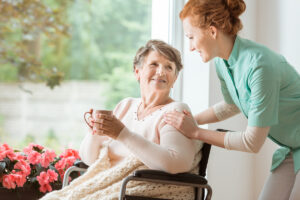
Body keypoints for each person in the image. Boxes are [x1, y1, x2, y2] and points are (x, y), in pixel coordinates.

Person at [163, 0, 300, 199]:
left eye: (191, 37)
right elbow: (232, 104)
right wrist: (189, 119)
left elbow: (252, 142)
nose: (190, 47)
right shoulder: (222, 62)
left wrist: (195, 131)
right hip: (293, 147)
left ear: (212, 31)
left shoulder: (260, 66)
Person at [41, 40, 202, 200]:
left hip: (137, 193)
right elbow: (89, 159)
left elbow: (177, 163)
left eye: (169, 67)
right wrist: (94, 133)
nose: (161, 71)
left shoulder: (175, 111)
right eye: (154, 64)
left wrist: (122, 134)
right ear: (137, 72)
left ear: (174, 78)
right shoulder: (126, 106)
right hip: (109, 188)